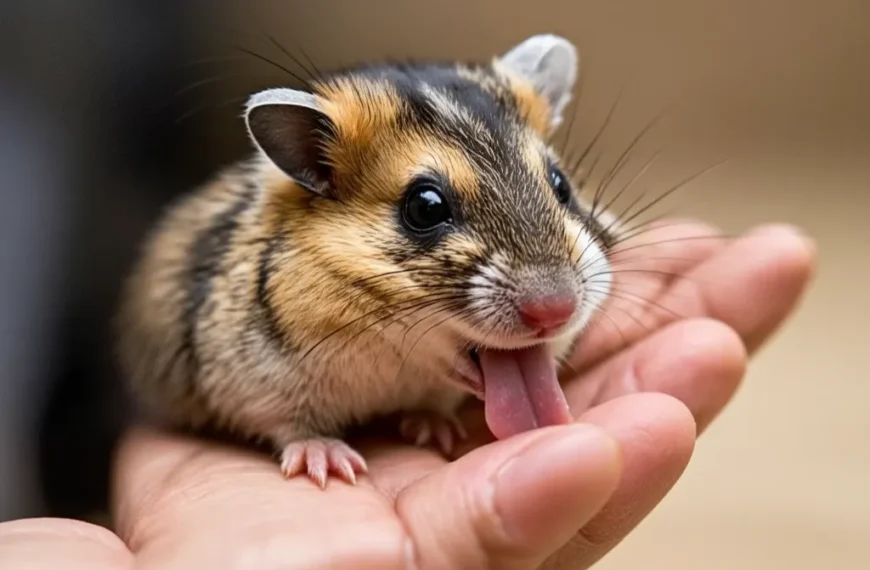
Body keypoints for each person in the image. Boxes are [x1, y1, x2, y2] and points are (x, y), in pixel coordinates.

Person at [0, 221, 815, 569]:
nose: (549, 302)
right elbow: (220, 361)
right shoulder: (284, 292)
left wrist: (429, 390)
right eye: (427, 212)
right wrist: (298, 430)